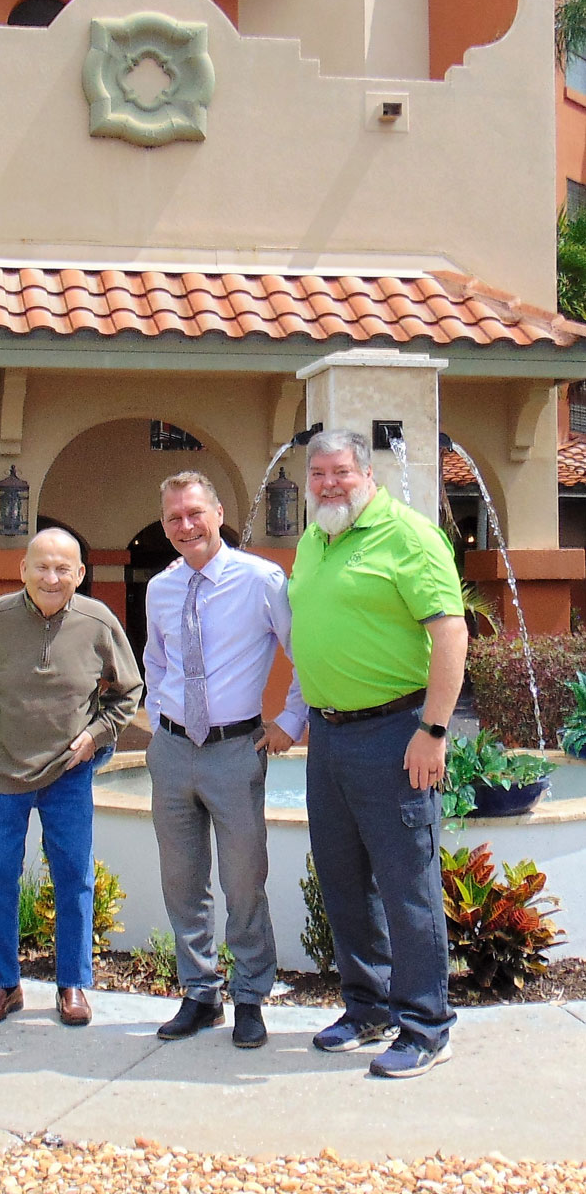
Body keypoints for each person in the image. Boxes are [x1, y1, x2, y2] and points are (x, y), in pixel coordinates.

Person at [288, 428, 468, 1079]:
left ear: (368, 475)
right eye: (318, 475)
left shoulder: (408, 535)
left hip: (396, 732)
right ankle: (366, 1007)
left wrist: (434, 729)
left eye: (341, 472)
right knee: (341, 880)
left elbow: (450, 632)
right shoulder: (314, 540)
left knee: (405, 883)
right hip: (328, 734)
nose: (329, 483)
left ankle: (425, 1025)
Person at [144, 471, 307, 1049]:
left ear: (217, 513)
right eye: (173, 518)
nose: (185, 526)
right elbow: (157, 660)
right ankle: (199, 993)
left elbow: (303, 653)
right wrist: (154, 714)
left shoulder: (261, 579)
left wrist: (289, 722)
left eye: (195, 513)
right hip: (170, 750)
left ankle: (250, 996)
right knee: (181, 879)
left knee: (243, 880)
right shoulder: (160, 588)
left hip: (236, 749)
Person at [0, 528, 141, 1028]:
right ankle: (2, 984)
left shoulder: (97, 620)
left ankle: (73, 983)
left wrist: (98, 735)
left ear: (80, 574)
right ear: (23, 569)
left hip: (68, 772)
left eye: (65, 568)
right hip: (0, 773)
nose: (52, 577)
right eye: (42, 566)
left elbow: (129, 689)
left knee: (74, 879)